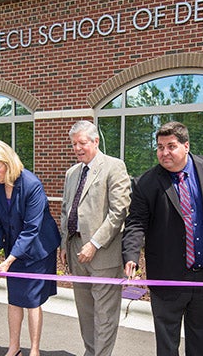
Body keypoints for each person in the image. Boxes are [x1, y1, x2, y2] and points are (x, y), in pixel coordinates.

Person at [121, 121, 203, 356]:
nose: (164, 152)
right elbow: (135, 223)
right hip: (167, 278)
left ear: (186, 146)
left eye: (171, 146)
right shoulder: (146, 183)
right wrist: (131, 255)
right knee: (167, 346)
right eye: (160, 147)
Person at [0, 139, 61, 356]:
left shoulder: (31, 184)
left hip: (37, 249)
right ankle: (14, 347)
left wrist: (8, 260)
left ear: (8, 163)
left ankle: (34, 350)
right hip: (14, 249)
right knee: (14, 299)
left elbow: (31, 229)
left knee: (32, 300)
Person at [59, 120, 130, 356]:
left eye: (82, 143)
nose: (77, 148)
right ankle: (91, 352)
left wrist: (94, 243)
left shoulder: (114, 167)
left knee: (105, 314)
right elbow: (65, 209)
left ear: (96, 141)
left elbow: (119, 212)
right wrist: (64, 244)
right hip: (75, 249)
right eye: (73, 144)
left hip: (102, 252)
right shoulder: (72, 173)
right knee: (86, 311)